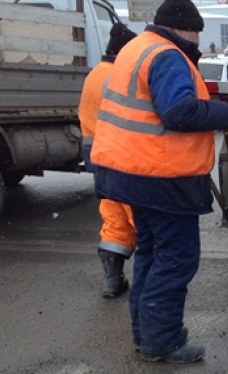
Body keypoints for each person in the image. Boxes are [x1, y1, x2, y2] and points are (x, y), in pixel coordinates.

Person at [90, 0, 228, 363]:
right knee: (175, 260)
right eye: (196, 35)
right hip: (160, 178)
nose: (199, 44)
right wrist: (224, 114)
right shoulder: (168, 56)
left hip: (128, 174)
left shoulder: (136, 48)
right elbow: (178, 111)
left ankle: (147, 337)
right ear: (181, 30)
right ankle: (163, 341)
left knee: (151, 256)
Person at [79, 23, 138, 298]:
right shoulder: (118, 76)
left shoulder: (95, 74)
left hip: (97, 158)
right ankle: (150, 281)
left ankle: (112, 280)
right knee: (138, 216)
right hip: (119, 157)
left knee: (113, 217)